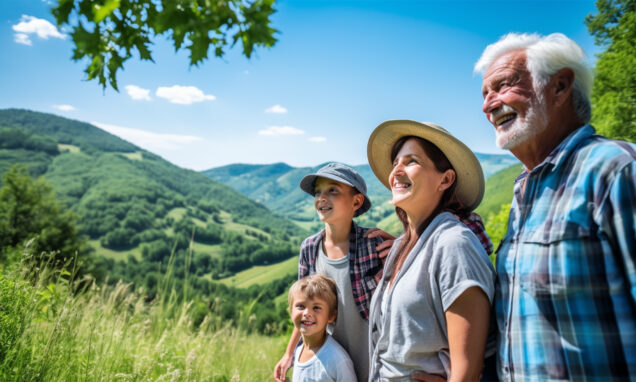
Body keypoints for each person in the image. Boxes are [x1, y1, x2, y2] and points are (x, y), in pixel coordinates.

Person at [475, 32, 636, 380]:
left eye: (503, 86)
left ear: (560, 86)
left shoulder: (615, 169)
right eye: (485, 94)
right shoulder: (525, 190)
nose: (488, 105)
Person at [366, 120, 496, 381]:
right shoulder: (401, 246)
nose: (397, 171)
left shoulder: (454, 245)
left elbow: (468, 371)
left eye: (411, 161)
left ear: (445, 179)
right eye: (395, 164)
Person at [274, 163, 384, 382]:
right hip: (333, 363)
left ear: (356, 201)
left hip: (375, 363)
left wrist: (402, 247)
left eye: (332, 190)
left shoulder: (373, 246)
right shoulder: (310, 248)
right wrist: (289, 354)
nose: (321, 198)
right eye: (317, 192)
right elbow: (303, 303)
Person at [288, 274, 357, 381]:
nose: (307, 313)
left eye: (316, 307)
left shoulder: (337, 360)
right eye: (300, 306)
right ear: (291, 312)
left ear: (331, 316)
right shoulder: (298, 351)